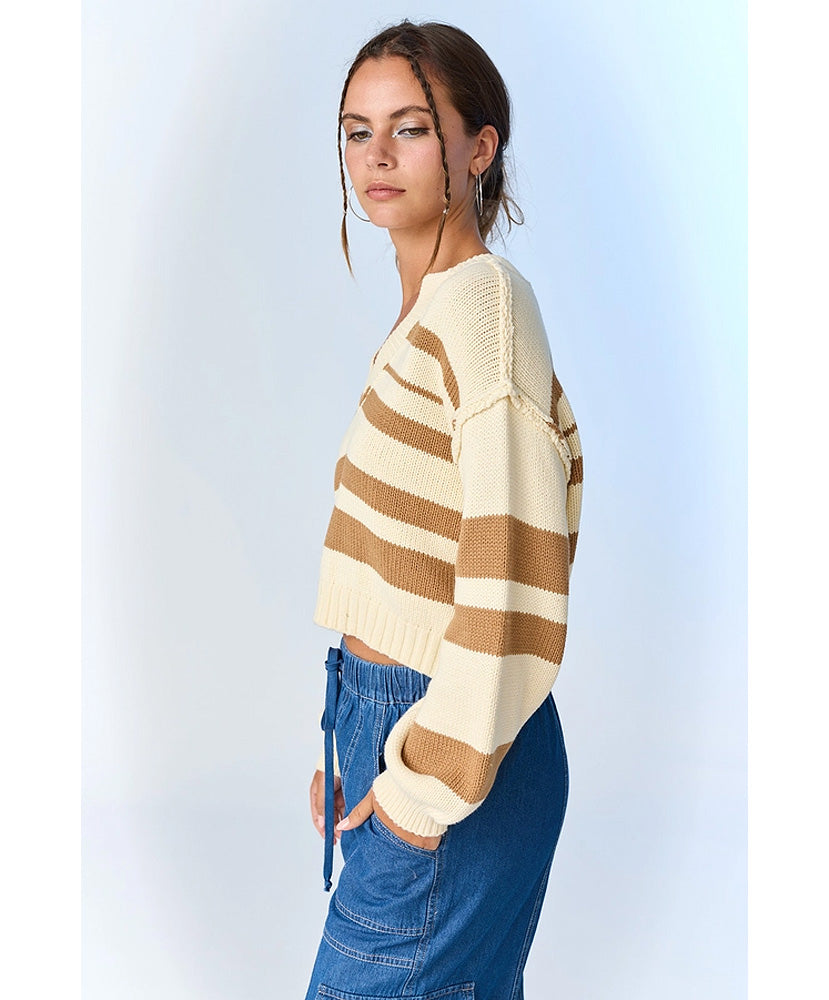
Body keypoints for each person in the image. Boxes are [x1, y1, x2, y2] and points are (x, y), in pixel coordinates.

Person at [305, 20, 583, 1000]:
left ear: (478, 147)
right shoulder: (430, 309)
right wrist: (355, 742)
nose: (376, 154)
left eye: (411, 128)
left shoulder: (480, 308)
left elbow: (517, 576)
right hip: (406, 731)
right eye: (357, 130)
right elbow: (416, 558)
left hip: (457, 754)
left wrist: (420, 790)